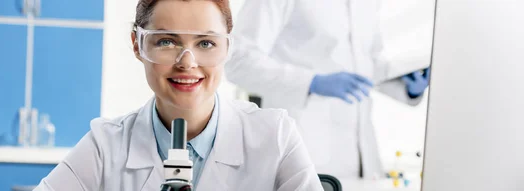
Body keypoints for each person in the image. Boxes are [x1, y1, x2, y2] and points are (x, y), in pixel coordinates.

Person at [32, 0, 324, 190]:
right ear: (137, 45)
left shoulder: (275, 136)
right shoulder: (106, 146)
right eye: (167, 41)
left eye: (206, 43)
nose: (187, 62)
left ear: (228, 48)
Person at [224, 0, 431, 179]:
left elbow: (369, 64)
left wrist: (407, 85)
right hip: (305, 145)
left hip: (363, 156)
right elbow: (237, 60)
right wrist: (311, 82)